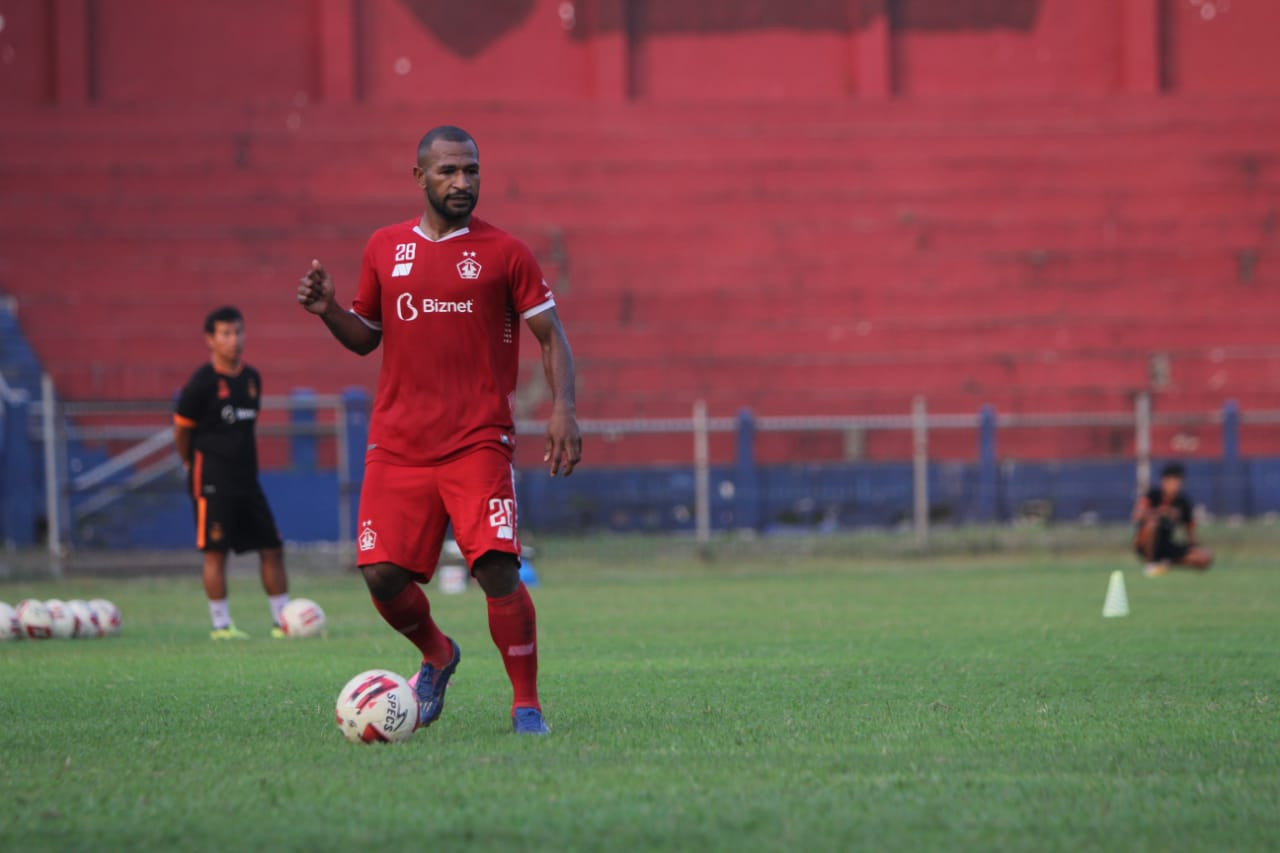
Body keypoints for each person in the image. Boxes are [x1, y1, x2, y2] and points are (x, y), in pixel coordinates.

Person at [296, 126, 581, 735]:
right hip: (397, 443)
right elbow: (368, 337)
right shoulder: (384, 247)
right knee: (381, 574)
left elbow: (550, 334)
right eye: (449, 171)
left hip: (477, 438)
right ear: (420, 177)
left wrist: (564, 408)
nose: (463, 182)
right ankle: (437, 653)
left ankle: (525, 703)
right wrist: (330, 314)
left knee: (496, 567)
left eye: (471, 171)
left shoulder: (506, 252)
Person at [173, 306, 290, 639]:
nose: (233, 340)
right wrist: (189, 462)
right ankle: (221, 625)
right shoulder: (201, 384)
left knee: (272, 547)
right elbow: (182, 430)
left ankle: (284, 622)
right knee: (216, 550)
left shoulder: (252, 379)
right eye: (225, 334)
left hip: (247, 480)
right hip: (211, 479)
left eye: (238, 332)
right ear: (210, 339)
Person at [1132, 462, 1213, 577]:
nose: (1174, 485)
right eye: (1171, 481)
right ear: (1164, 482)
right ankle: (1150, 565)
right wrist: (1160, 512)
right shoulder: (1152, 495)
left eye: (1178, 482)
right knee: (1152, 523)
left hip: (1167, 545)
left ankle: (1165, 564)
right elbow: (1137, 515)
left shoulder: (1183, 502)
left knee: (1205, 557)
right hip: (1145, 544)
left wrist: (1195, 550)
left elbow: (1190, 533)